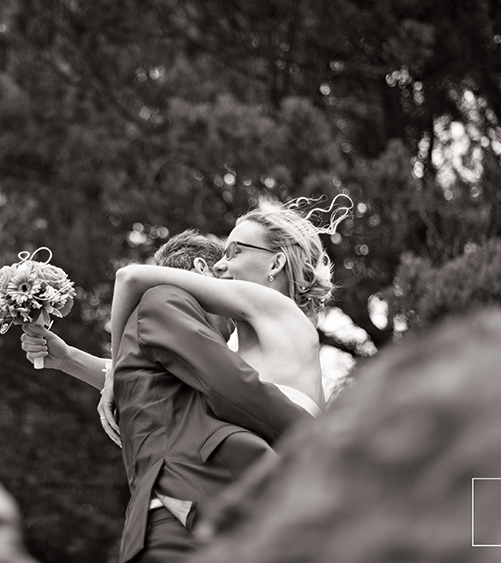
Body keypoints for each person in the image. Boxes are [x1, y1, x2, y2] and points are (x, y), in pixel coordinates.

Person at [21, 230, 311, 563]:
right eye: (225, 265)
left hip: (187, 518)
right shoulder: (166, 299)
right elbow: (232, 388)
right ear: (205, 270)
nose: (232, 321)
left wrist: (70, 359)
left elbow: (153, 383)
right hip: (187, 512)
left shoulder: (160, 333)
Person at [101, 197, 350, 432]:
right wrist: (66, 359)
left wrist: (115, 375)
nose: (219, 265)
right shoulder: (245, 359)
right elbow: (152, 381)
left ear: (275, 264)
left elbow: (129, 277)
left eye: (234, 252)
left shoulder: (275, 305)